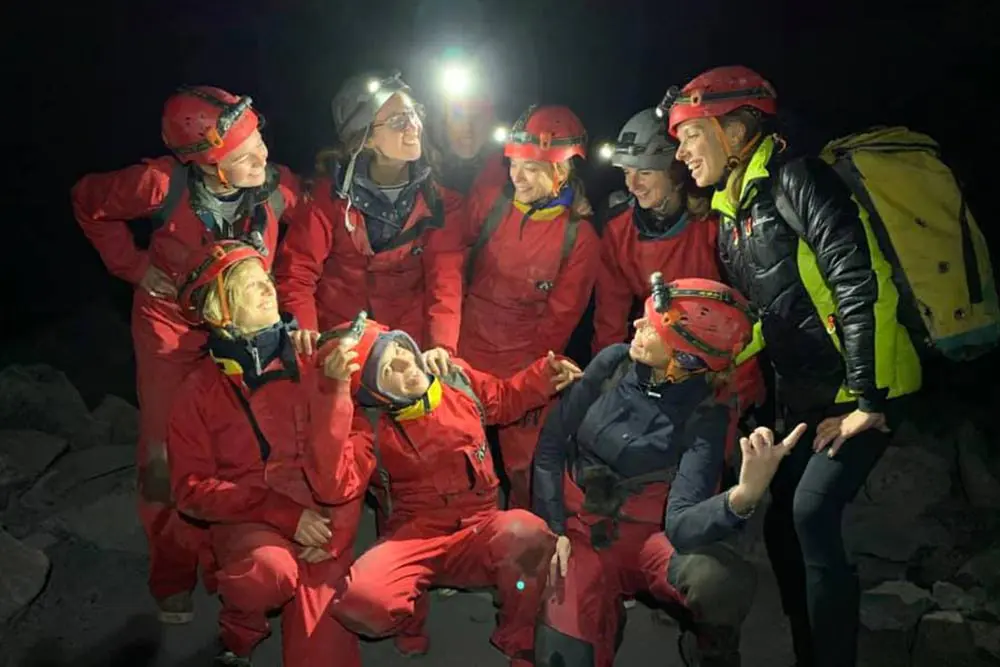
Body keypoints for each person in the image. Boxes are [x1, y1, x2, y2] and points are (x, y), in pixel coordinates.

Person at [666, 65, 922, 667]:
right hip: (807, 394)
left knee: (811, 512)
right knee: (787, 518)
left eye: (689, 135)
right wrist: (711, 357)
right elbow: (768, 315)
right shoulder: (733, 214)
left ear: (734, 129)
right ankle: (808, 639)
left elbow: (860, 285)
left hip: (868, 382)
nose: (680, 153)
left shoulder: (800, 180)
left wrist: (867, 404)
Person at [71, 86, 300, 622]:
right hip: (172, 328)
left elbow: (318, 229)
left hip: (243, 327)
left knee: (247, 441)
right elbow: (87, 200)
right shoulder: (159, 185)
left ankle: (237, 557)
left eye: (261, 142)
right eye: (244, 157)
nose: (261, 159)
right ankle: (172, 572)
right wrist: (131, 267)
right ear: (206, 165)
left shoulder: (277, 188)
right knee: (164, 454)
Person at [533, 273, 806, 667]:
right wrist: (553, 526)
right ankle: (603, 620)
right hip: (581, 532)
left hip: (649, 537)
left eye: (652, 326)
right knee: (560, 658)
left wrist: (743, 496)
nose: (636, 325)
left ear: (684, 357)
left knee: (720, 583)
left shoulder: (707, 413)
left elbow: (680, 525)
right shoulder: (612, 363)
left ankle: (711, 650)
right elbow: (551, 448)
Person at [313, 315, 582, 665]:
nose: (403, 363)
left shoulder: (455, 378)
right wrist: (335, 398)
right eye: (386, 370)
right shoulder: (368, 426)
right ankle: (410, 617)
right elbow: (334, 485)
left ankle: (518, 633)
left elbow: (503, 398)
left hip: (479, 527)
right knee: (364, 601)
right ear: (374, 394)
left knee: (529, 538)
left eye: (398, 348)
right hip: (414, 539)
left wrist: (547, 374)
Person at [166, 241, 370, 667]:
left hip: (324, 518)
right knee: (266, 576)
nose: (267, 290)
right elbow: (190, 489)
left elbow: (361, 447)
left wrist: (340, 531)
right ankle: (241, 630)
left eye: (266, 280)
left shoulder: (316, 358)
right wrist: (283, 514)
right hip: (251, 517)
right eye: (248, 287)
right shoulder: (197, 391)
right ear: (217, 313)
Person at [593, 107, 765, 440]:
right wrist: (607, 378)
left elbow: (746, 312)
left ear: (674, 171)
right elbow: (609, 318)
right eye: (626, 172)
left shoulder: (714, 224)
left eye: (644, 173)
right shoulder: (619, 231)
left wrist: (737, 394)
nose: (632, 185)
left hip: (720, 370)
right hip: (660, 367)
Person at [460, 104, 601, 509]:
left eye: (533, 168)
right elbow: (452, 259)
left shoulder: (579, 238)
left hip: (525, 364)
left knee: (527, 473)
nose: (517, 177)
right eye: (514, 164)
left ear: (562, 172)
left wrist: (523, 389)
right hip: (467, 355)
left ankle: (527, 552)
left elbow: (559, 321)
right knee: (460, 463)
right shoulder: (491, 203)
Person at [274, 71, 466, 365]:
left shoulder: (439, 203)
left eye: (416, 112)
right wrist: (305, 332)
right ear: (364, 138)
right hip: (341, 342)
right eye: (398, 120)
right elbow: (298, 272)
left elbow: (445, 279)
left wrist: (441, 344)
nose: (415, 125)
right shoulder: (329, 199)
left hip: (406, 347)